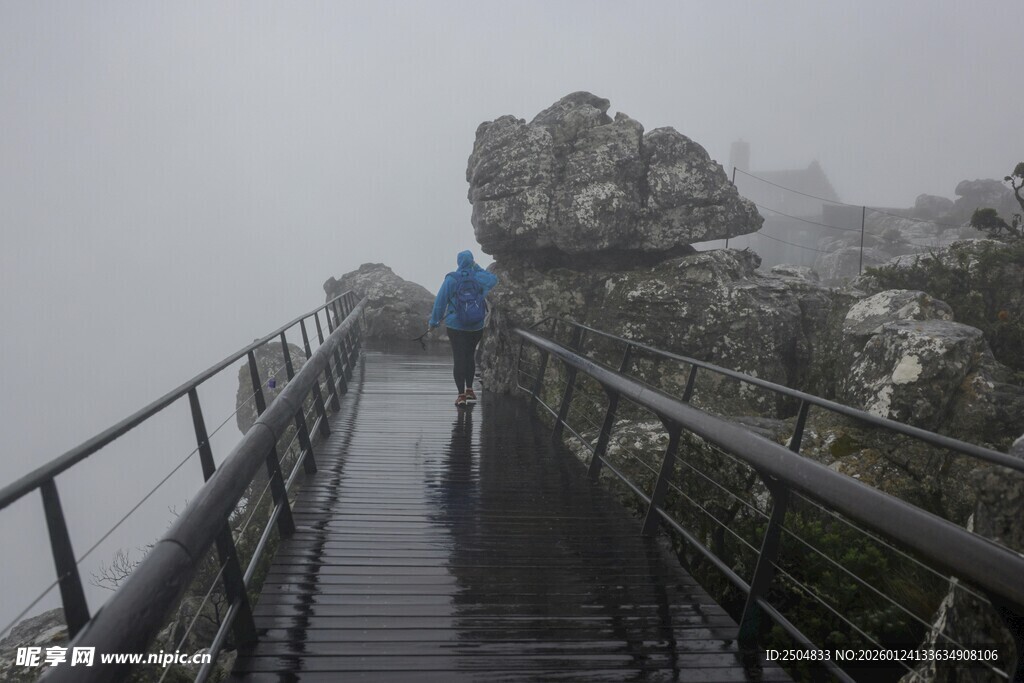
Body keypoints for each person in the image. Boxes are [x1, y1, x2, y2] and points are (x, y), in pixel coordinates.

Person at [428, 250, 498, 406]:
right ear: (472, 261)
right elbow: (494, 279)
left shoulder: (452, 279)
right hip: (476, 326)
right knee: (469, 356)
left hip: (456, 326)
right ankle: (470, 390)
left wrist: (433, 323)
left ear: (458, 262)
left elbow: (440, 302)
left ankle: (461, 396)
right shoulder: (479, 277)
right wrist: (476, 267)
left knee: (459, 358)